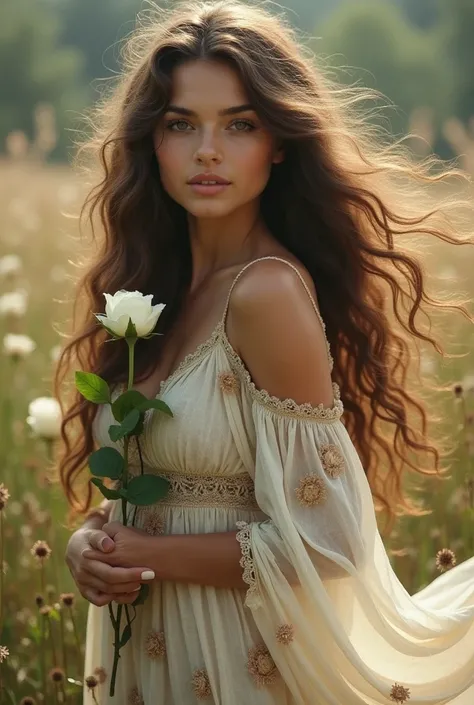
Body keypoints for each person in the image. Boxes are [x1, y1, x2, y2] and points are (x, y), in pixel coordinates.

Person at [55, 1, 474, 703]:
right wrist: (89, 545)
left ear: (278, 142)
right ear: (150, 142)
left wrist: (150, 556)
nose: (207, 151)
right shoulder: (150, 294)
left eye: (239, 125)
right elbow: (152, 489)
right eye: (181, 124)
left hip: (240, 659)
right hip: (148, 652)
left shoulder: (266, 292)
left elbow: (327, 540)